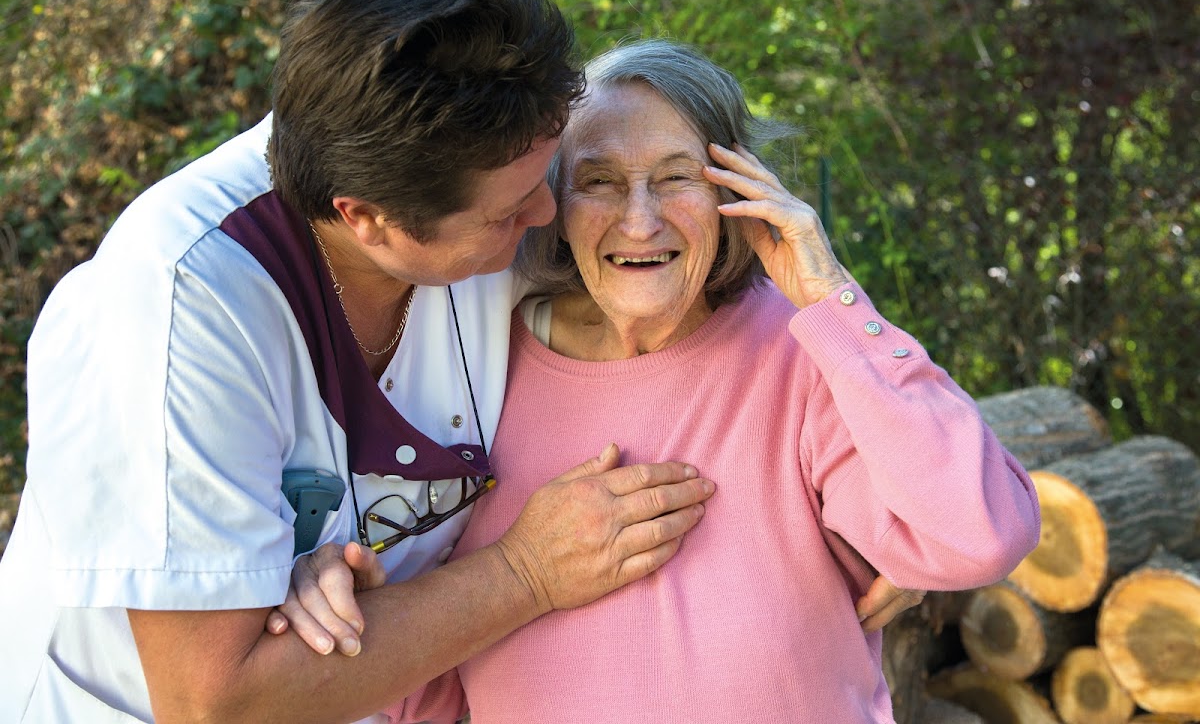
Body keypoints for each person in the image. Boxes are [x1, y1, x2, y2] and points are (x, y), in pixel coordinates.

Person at [0, 0, 720, 723]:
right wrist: (528, 572)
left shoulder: (469, 153)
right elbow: (215, 702)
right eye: (508, 215)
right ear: (365, 218)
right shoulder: (176, 312)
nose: (545, 219)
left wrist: (848, 469)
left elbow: (671, 256)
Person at [288, 39, 1042, 723]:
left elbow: (978, 535)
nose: (640, 220)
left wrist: (833, 297)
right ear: (550, 204)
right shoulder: (479, 368)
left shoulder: (805, 354)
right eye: (601, 181)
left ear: (736, 193)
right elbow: (431, 696)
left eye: (677, 177)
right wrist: (349, 593)